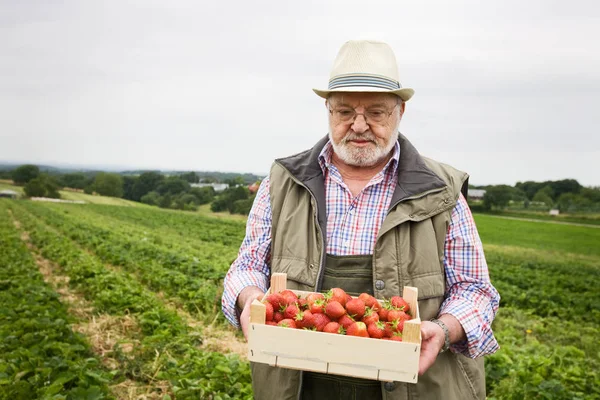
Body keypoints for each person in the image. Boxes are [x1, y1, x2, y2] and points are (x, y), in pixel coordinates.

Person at [222, 40, 500, 400]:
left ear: (400, 111)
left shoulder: (442, 190)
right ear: (328, 110)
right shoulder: (281, 182)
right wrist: (250, 298)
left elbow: (475, 290)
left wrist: (443, 330)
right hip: (302, 384)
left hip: (413, 384)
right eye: (344, 111)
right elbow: (247, 265)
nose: (358, 125)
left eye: (376, 112)